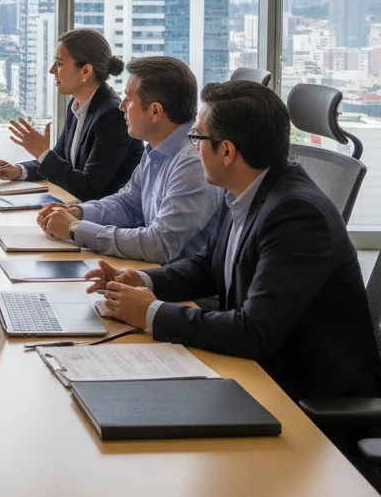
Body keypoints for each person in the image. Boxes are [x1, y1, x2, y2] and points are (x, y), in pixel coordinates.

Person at [88, 80, 381, 404]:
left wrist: (150, 312)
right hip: (252, 372)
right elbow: (208, 265)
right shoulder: (247, 187)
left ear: (227, 151)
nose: (192, 147)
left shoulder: (297, 216)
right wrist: (140, 281)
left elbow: (254, 331)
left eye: (197, 137)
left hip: (305, 399)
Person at [36, 56, 221, 263]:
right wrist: (78, 213)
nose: (121, 106)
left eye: (129, 99)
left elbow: (158, 245)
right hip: (152, 276)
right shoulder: (156, 148)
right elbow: (129, 204)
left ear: (155, 111)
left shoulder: (193, 163)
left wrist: (74, 229)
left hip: (182, 291)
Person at [0, 29, 143, 200]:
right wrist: (19, 170)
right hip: (77, 210)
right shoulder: (76, 105)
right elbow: (62, 161)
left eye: (60, 64)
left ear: (85, 71)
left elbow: (88, 189)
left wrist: (42, 153)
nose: (52, 70)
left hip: (105, 219)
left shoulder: (113, 115)